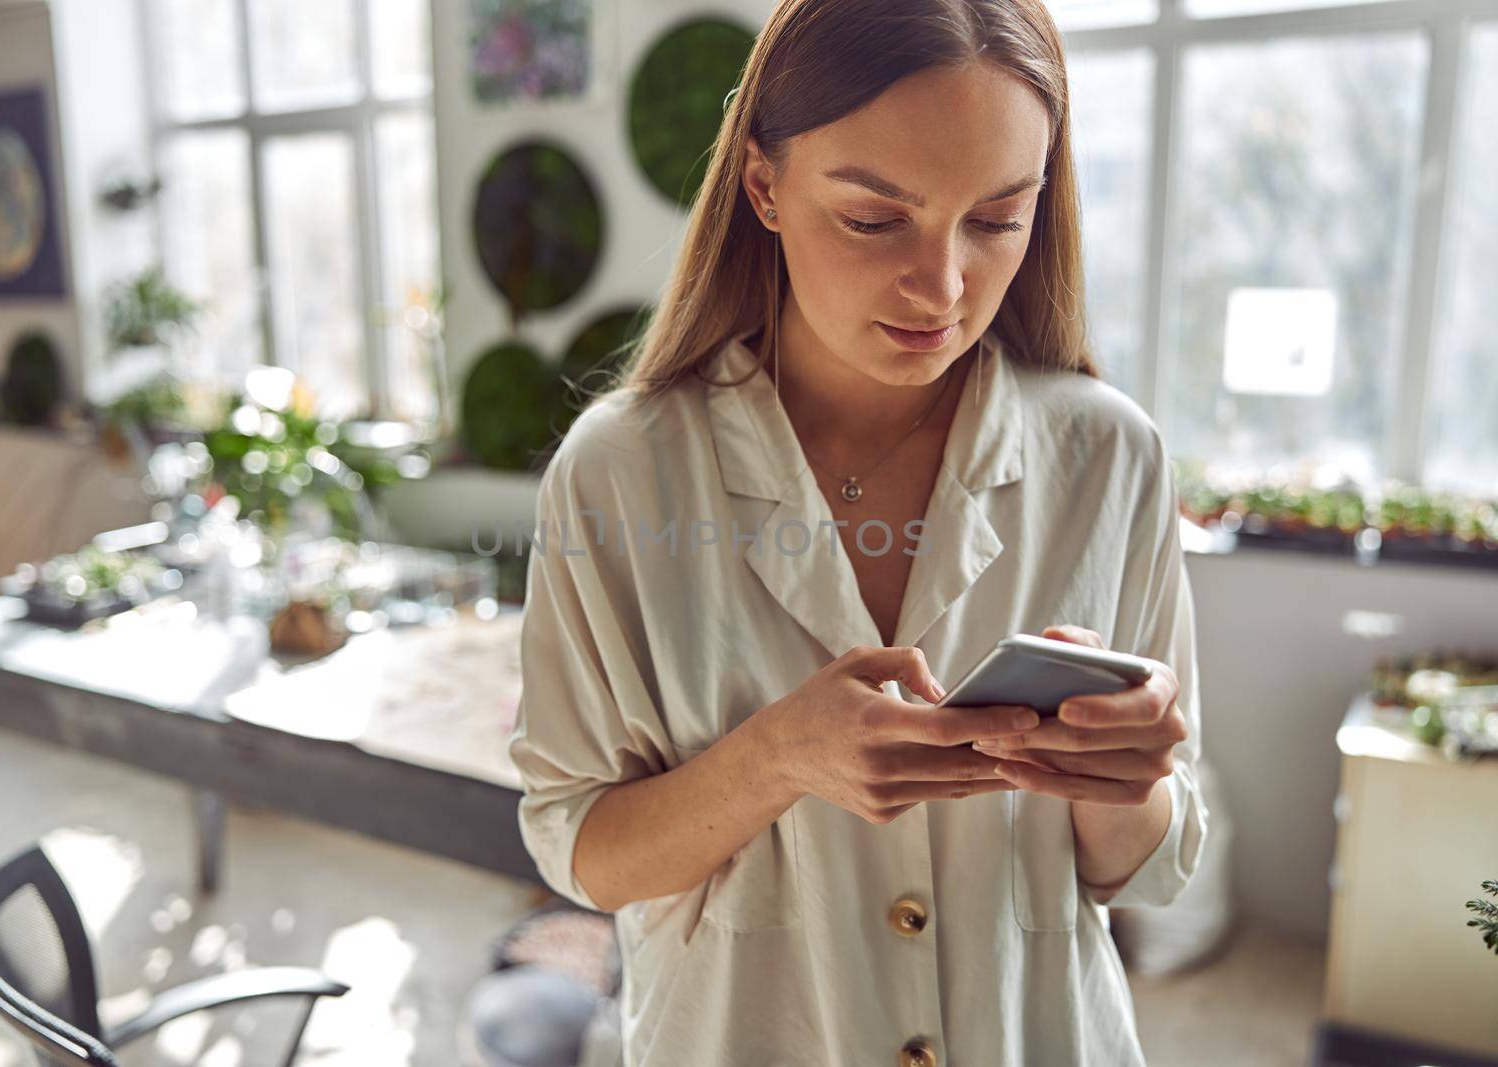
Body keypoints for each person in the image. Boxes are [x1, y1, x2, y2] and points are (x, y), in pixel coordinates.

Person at [506, 0, 1207, 1063]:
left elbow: (1146, 872)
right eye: (876, 220)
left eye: (996, 218)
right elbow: (584, 854)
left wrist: (1127, 783)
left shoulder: (1110, 457)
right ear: (764, 186)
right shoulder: (621, 469)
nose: (942, 286)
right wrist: (774, 759)